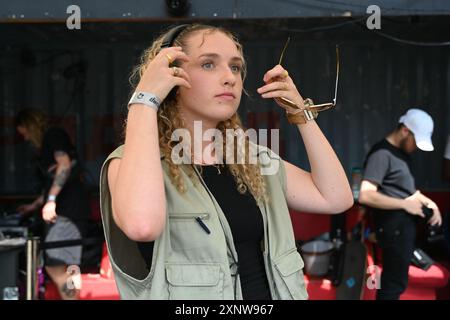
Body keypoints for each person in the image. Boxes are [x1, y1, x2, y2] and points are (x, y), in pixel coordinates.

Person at [100, 24, 353, 300]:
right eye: (208, 64)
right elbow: (142, 226)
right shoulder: (130, 162)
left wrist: (300, 113)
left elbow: (336, 197)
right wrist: (144, 101)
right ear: (169, 75)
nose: (229, 78)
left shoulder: (252, 159)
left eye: (235, 67)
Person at [359, 108, 442, 300]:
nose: (416, 147)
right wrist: (405, 205)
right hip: (392, 230)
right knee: (392, 285)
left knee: (397, 282)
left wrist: (431, 204)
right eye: (416, 140)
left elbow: (410, 192)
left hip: (404, 230)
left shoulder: (403, 154)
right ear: (405, 130)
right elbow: (366, 195)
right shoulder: (381, 154)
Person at [16, 109, 90, 300]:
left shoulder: (53, 135)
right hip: (71, 211)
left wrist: (50, 201)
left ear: (31, 126)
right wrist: (35, 205)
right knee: (68, 264)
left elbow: (64, 165)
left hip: (67, 212)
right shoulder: (51, 140)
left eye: (24, 131)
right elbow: (54, 180)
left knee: (55, 263)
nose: (24, 137)